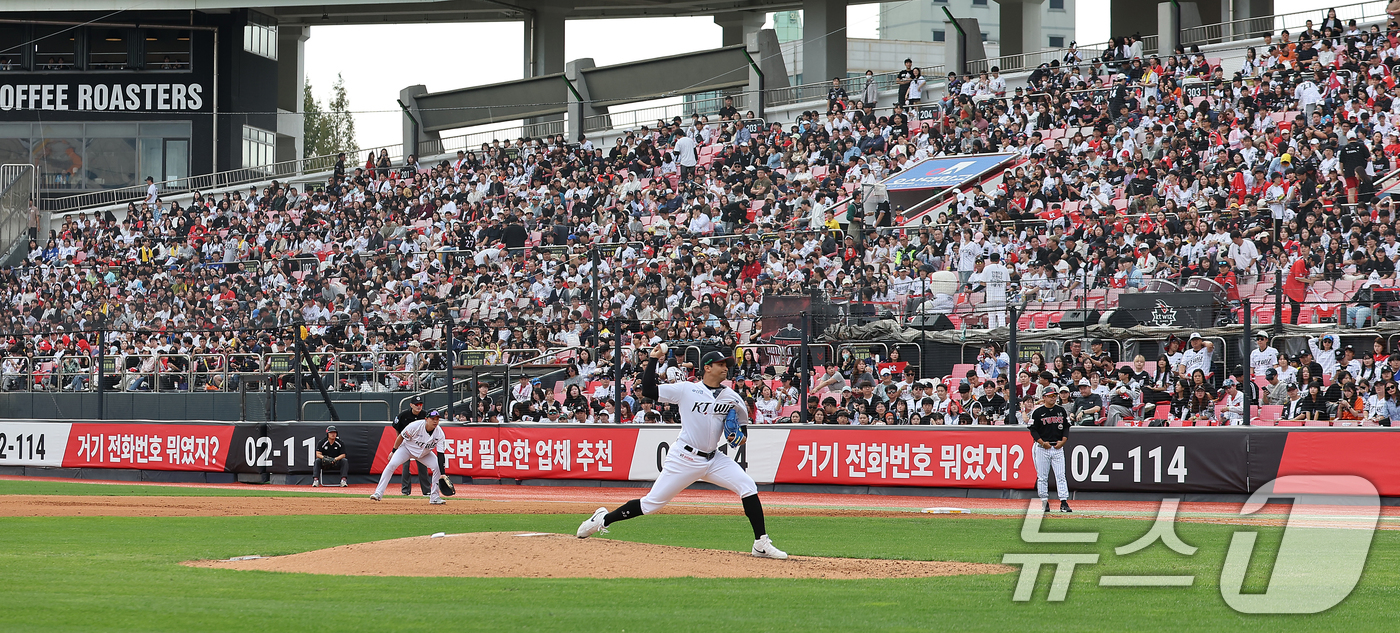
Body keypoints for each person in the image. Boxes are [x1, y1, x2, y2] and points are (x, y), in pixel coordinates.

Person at [576, 349, 788, 559]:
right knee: (650, 504)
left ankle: (760, 543)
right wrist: (651, 359)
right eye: (721, 364)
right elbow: (649, 389)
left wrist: (738, 437)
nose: (726, 368)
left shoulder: (732, 397)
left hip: (714, 459)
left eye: (727, 365)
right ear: (707, 367)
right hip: (684, 458)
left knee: (748, 486)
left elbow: (742, 430)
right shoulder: (687, 389)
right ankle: (603, 519)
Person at [370, 410, 447, 504]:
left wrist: (443, 473)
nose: (435, 421)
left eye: (437, 419)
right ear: (426, 419)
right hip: (407, 449)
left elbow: (440, 454)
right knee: (392, 464)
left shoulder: (439, 433)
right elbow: (401, 437)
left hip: (424, 454)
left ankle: (434, 497)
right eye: (433, 419)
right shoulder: (415, 426)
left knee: (437, 467)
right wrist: (393, 451)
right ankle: (378, 493)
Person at [1029, 387, 1072, 513]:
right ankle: (1044, 502)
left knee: (1061, 476)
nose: (1053, 397)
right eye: (1050, 395)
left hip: (1057, 447)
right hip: (1043, 448)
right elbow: (1033, 429)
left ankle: (1063, 502)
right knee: (1042, 477)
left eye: (1054, 395)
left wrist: (1064, 440)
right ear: (1044, 397)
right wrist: (1041, 442)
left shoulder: (1061, 410)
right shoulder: (1037, 412)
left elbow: (1066, 427)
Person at [393, 395, 433, 496]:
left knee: (422, 467)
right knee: (406, 467)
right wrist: (400, 441)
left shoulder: (425, 415)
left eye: (420, 404)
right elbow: (396, 427)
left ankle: (427, 491)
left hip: (420, 445)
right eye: (416, 404)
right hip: (406, 444)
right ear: (411, 405)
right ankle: (405, 491)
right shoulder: (404, 415)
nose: (419, 406)